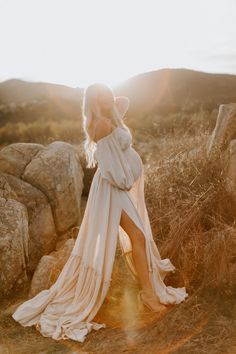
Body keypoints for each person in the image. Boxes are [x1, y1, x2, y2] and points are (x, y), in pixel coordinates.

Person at [12, 83, 188, 343]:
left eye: (108, 91)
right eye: (101, 94)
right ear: (93, 101)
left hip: (117, 191)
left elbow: (124, 101)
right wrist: (126, 179)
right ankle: (145, 294)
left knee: (137, 237)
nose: (108, 96)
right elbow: (109, 166)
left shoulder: (108, 117)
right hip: (111, 190)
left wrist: (106, 100)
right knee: (132, 238)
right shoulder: (100, 126)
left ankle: (146, 292)